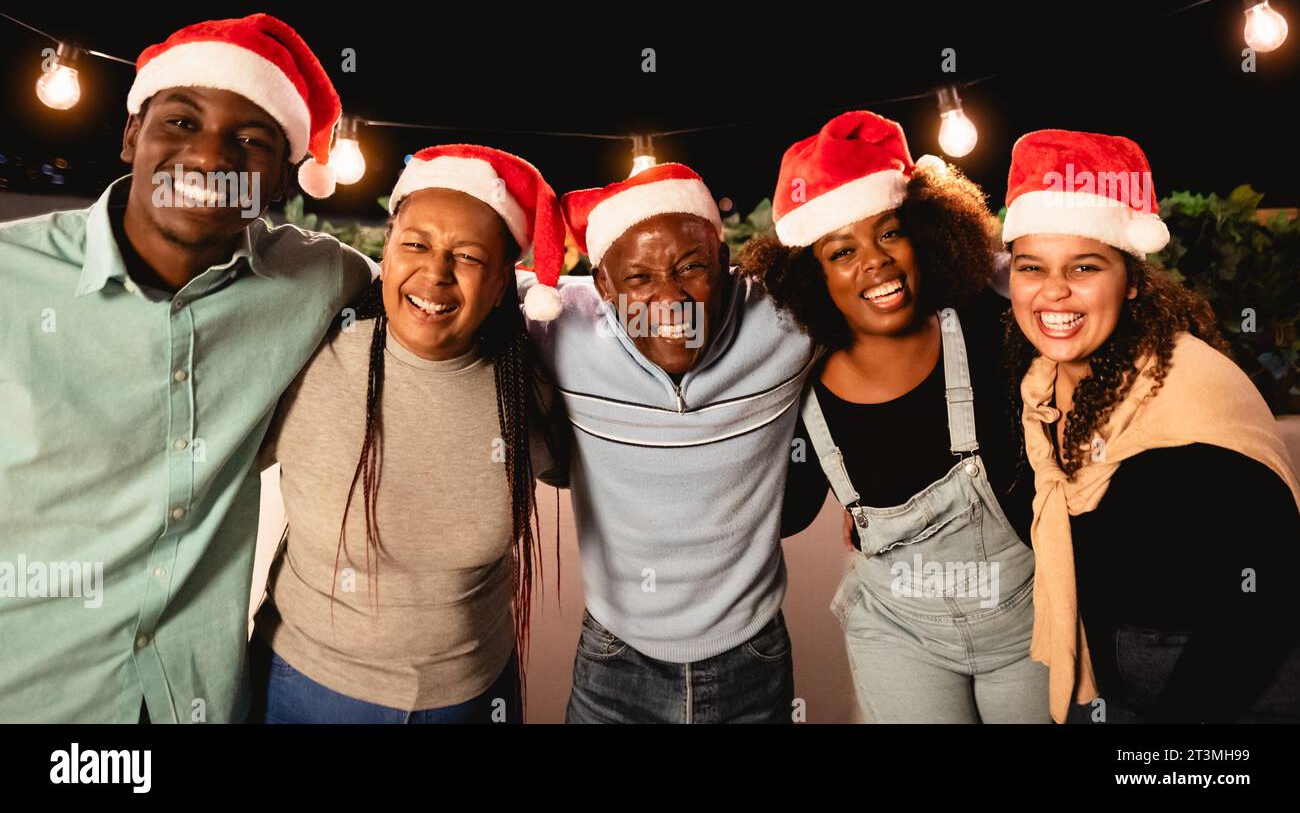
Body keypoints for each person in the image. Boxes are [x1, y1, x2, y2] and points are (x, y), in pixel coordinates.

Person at [0, 14, 375, 723]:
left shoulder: (318, 278)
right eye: (180, 121)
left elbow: (434, 296)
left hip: (192, 696)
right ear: (130, 135)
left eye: (251, 141)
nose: (209, 158)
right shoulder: (9, 278)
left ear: (280, 179)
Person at [741, 110, 1049, 723]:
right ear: (814, 275)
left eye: (889, 233)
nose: (874, 262)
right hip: (898, 635)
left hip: (1026, 624)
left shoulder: (992, 333)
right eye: (841, 252)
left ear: (923, 236)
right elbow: (789, 510)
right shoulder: (802, 390)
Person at [248, 145, 569, 724]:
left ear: (502, 284)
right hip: (303, 691)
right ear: (387, 252)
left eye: (467, 257)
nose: (435, 274)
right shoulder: (309, 355)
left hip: (474, 699)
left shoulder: (527, 386)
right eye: (415, 244)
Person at [1001, 128, 1300, 723]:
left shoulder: (1190, 394)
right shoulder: (1048, 388)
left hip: (1236, 689)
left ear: (1132, 280)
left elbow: (1264, 597)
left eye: (1084, 266)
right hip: (1131, 682)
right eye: (1031, 267)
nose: (1053, 292)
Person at [518, 163, 818, 723]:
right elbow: (456, 281)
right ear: (601, 285)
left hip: (753, 654)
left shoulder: (786, 320)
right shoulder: (560, 327)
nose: (671, 299)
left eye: (692, 268)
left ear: (725, 263)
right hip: (614, 662)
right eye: (639, 281)